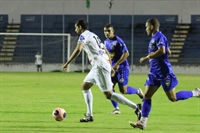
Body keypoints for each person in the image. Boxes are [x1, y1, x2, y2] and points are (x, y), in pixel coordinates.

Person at [62, 18, 141, 122]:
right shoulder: (93, 35)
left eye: (76, 27)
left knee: (109, 95)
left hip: (99, 66)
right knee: (84, 87)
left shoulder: (83, 36)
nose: (75, 30)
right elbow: (105, 49)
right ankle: (89, 115)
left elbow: (78, 49)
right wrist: (110, 65)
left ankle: (136, 107)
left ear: (80, 27)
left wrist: (68, 62)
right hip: (100, 65)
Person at [129, 18, 200, 130]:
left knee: (173, 98)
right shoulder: (155, 38)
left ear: (152, 26)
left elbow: (162, 50)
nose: (146, 29)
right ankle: (142, 122)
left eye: (146, 26)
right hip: (154, 73)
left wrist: (148, 56)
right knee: (147, 96)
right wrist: (167, 50)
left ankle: (195, 93)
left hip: (164, 73)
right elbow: (166, 50)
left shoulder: (159, 36)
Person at [103, 23, 144, 114]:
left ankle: (138, 91)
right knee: (109, 88)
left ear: (113, 31)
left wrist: (117, 64)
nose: (107, 33)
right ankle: (116, 108)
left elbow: (126, 53)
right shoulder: (105, 42)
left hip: (122, 68)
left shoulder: (118, 41)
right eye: (105, 31)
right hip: (113, 69)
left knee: (123, 90)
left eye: (108, 31)